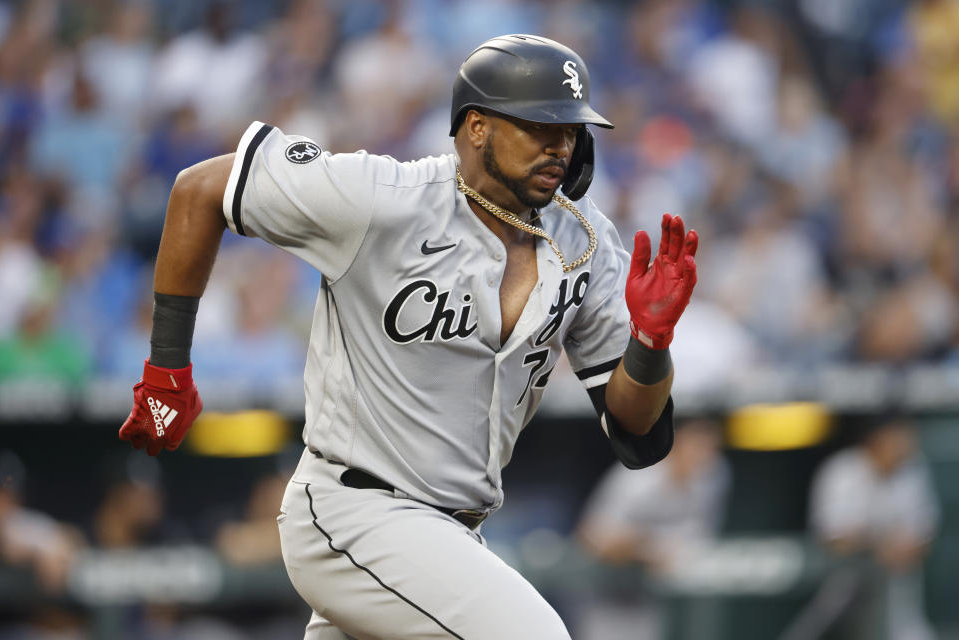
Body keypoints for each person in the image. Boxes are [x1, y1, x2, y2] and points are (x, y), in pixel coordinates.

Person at [118, 34, 698, 639]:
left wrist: (651, 343)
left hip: (450, 535)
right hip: (353, 509)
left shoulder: (586, 242)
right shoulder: (382, 198)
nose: (562, 145)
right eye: (540, 127)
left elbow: (639, 433)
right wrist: (167, 368)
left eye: (572, 130)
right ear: (477, 127)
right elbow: (199, 190)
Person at [781, 416, 940, 640]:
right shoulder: (842, 470)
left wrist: (901, 548)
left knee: (909, 629)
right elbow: (833, 538)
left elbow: (923, 536)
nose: (905, 447)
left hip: (896, 580)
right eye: (898, 440)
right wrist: (878, 544)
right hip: (839, 575)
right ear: (876, 441)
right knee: (817, 624)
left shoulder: (913, 469)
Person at [576, 418, 730, 640]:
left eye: (711, 448)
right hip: (610, 592)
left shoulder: (714, 476)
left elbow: (701, 535)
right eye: (697, 446)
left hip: (656, 596)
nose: (704, 456)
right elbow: (591, 537)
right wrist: (647, 547)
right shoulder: (638, 478)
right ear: (677, 444)